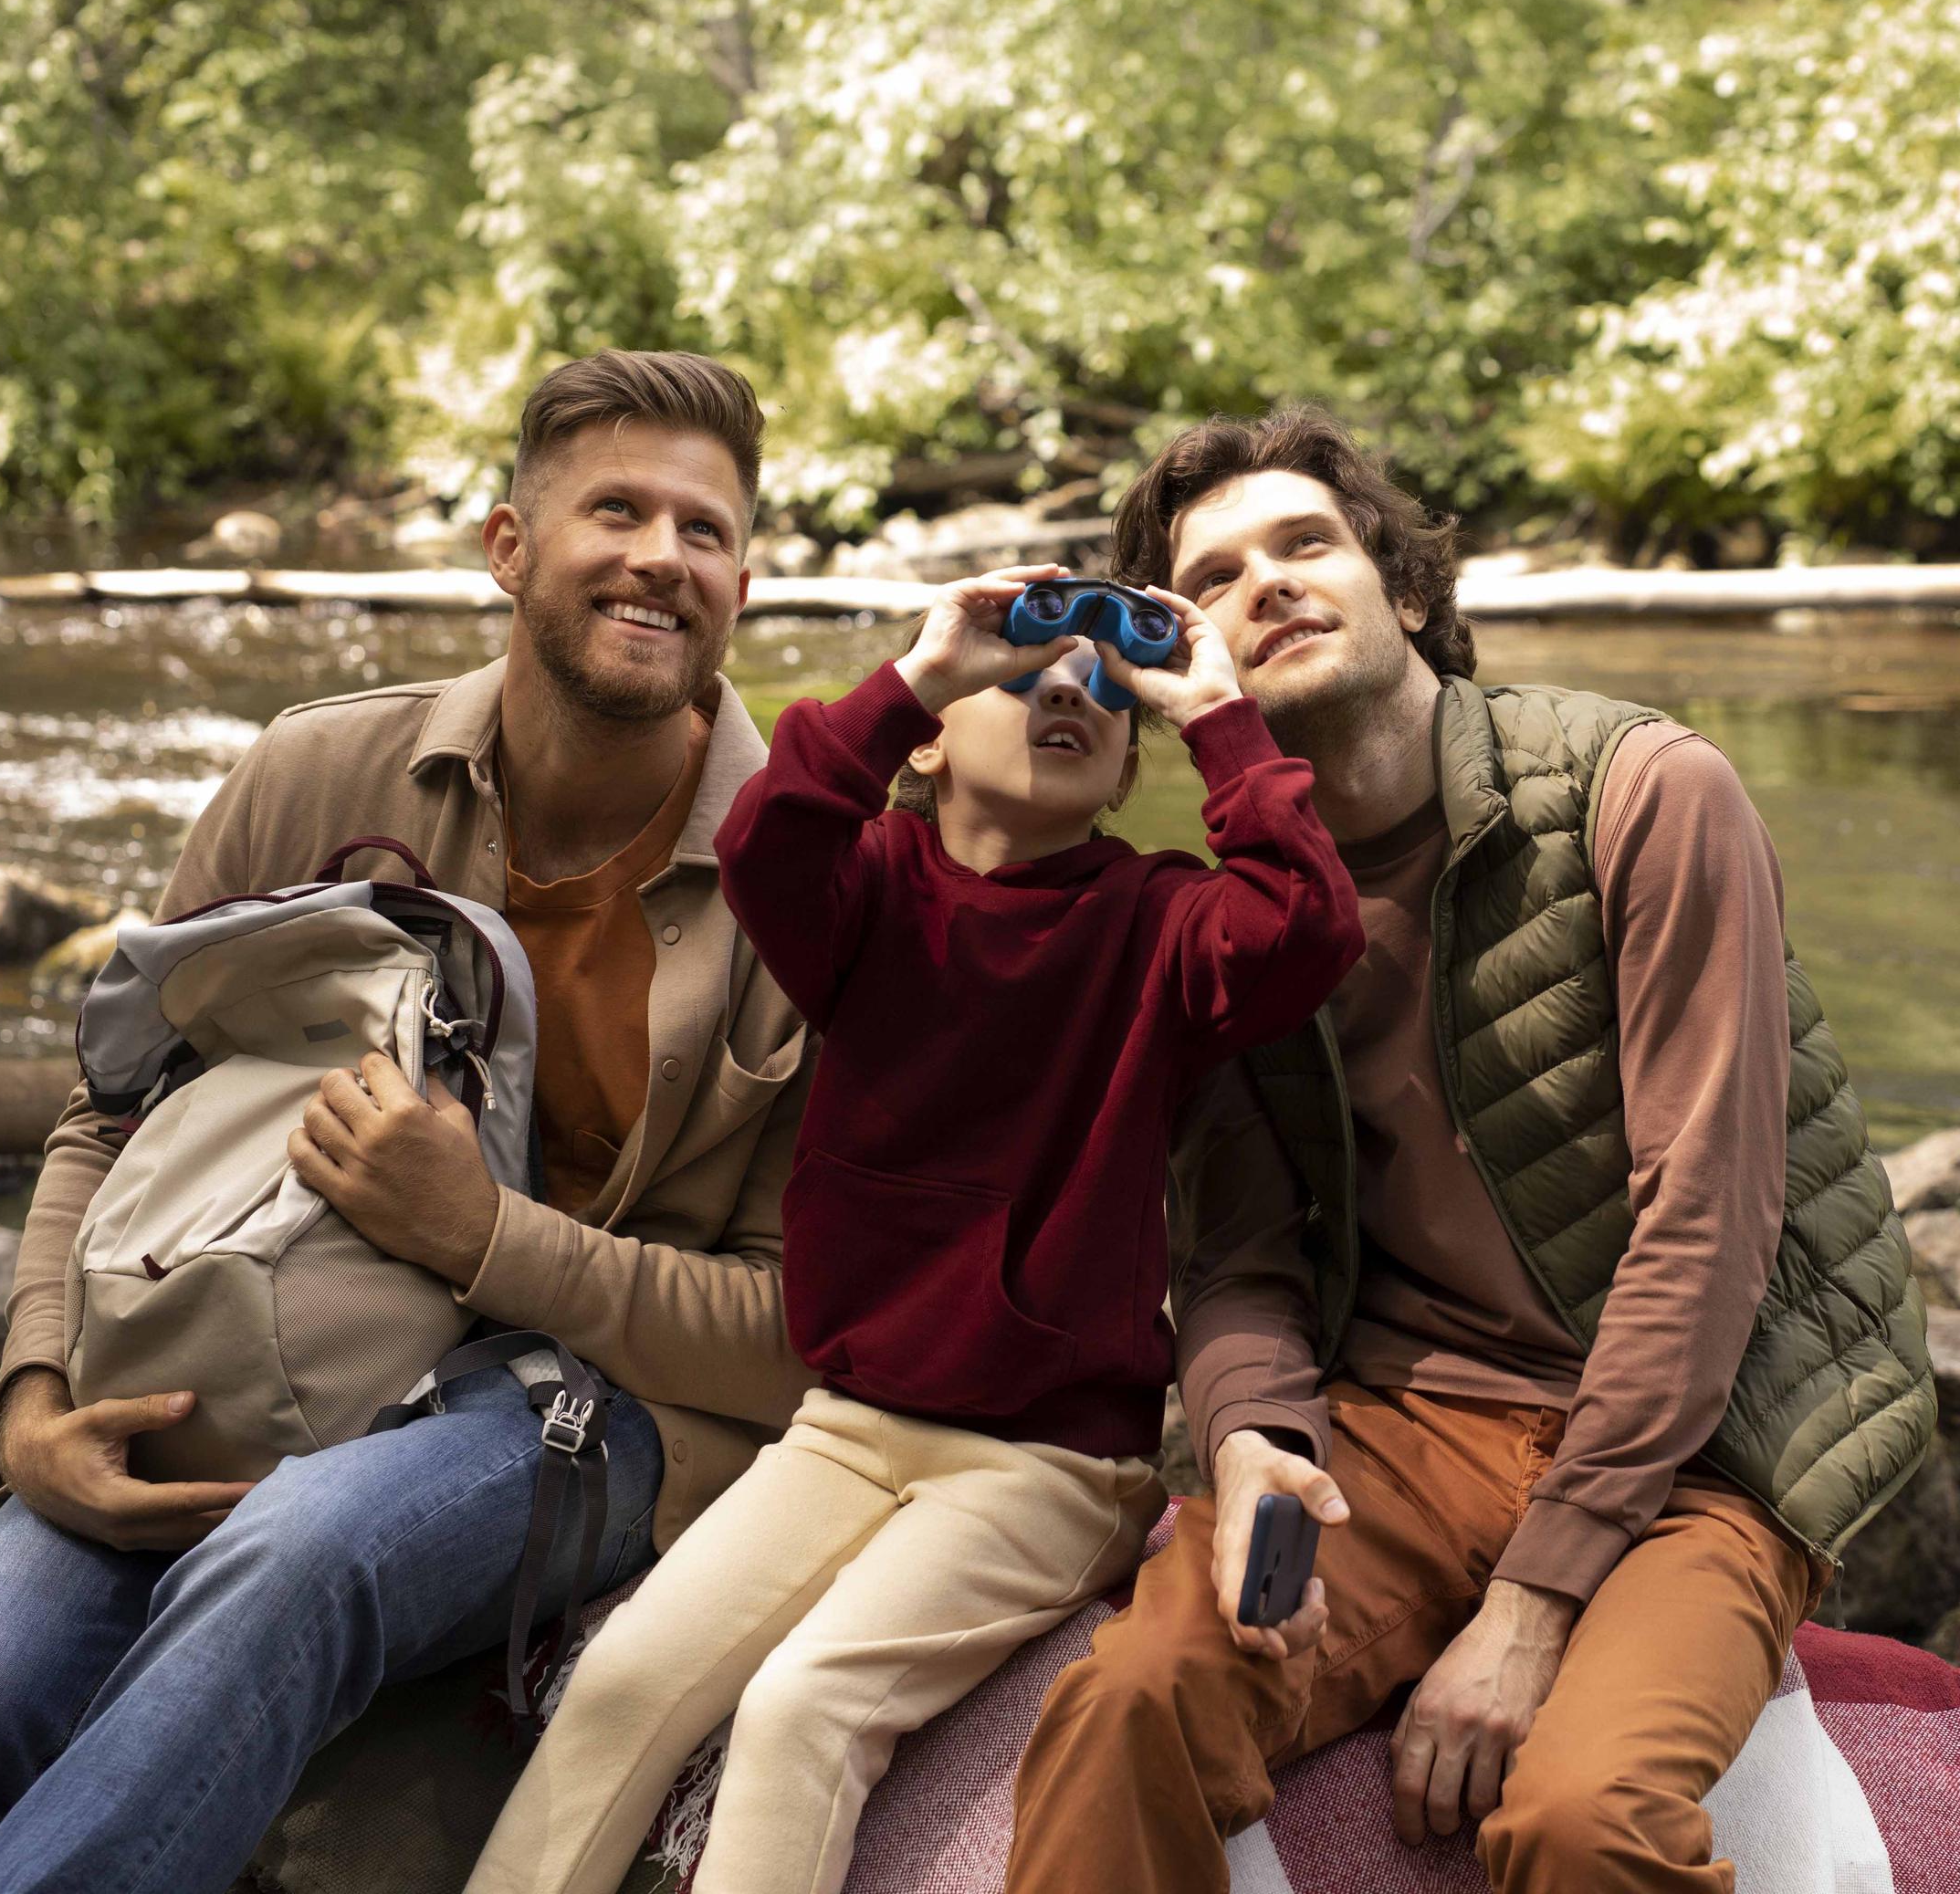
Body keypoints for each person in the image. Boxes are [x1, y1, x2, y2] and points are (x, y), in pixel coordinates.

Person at [0, 352, 818, 1894]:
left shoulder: (819, 885)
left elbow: (796, 1339)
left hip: (598, 1409)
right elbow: (107, 1120)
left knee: (304, 1555)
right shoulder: (316, 772)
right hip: (247, 1344)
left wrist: (488, 1239)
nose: (660, 557)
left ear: (743, 583)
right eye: (614, 510)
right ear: (508, 546)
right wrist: (28, 1401)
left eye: (704, 530)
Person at [1002, 405, 1939, 1894]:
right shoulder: (1234, 913)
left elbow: (1707, 1231)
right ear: (1193, 668)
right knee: (1130, 1706)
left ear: (1412, 592)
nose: (1272, 583)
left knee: (1582, 1818)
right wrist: (1254, 1443)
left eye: (1308, 544)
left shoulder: (1643, 795)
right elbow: (1238, 1259)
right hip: (1397, 1438)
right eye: (1220, 578)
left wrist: (1531, 1607)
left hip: (1701, 1450)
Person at [461, 567, 1363, 1894]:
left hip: (1047, 1466)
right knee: (626, 1682)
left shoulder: (1158, 922)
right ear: (931, 737)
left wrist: (1219, 712)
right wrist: (918, 673)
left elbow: (1308, 925)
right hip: (843, 1424)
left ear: (1125, 774)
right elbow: (770, 836)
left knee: (801, 1708)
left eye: (1108, 694)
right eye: (1027, 673)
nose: (1069, 687)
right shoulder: (865, 892)